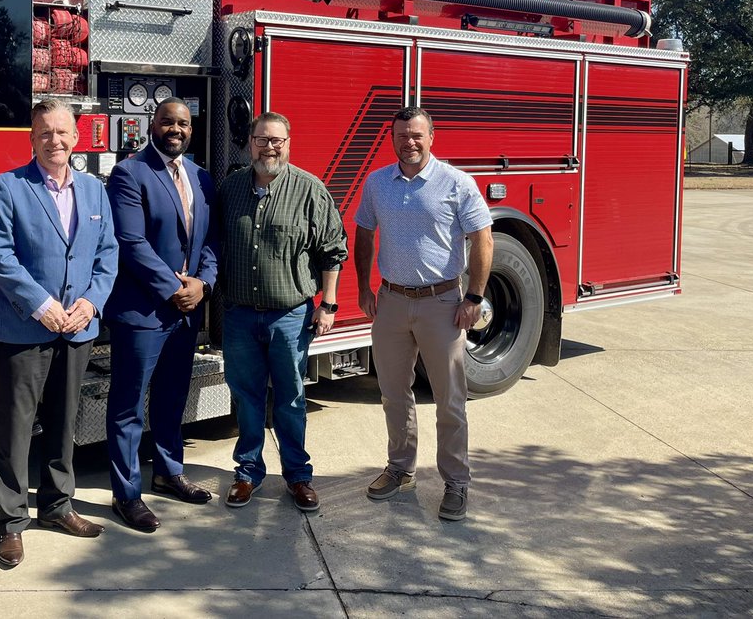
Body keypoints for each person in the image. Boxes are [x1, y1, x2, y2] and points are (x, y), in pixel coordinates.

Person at [0, 99, 119, 567]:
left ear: (77, 137)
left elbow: (108, 253)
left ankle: (57, 507)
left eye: (62, 132)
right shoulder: (8, 188)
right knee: (16, 430)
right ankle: (11, 523)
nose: (54, 141)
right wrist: (43, 306)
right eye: (44, 133)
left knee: (64, 423)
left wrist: (90, 303)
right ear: (32, 139)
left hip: (77, 328)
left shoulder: (95, 191)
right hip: (22, 329)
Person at [353, 107, 493, 521]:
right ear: (392, 139)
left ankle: (456, 482)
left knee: (449, 399)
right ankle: (400, 469)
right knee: (393, 394)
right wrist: (364, 288)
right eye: (400, 136)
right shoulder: (378, 183)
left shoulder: (456, 182)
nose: (408, 142)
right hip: (392, 302)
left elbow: (483, 239)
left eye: (416, 135)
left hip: (443, 304)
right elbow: (364, 234)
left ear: (432, 136)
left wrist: (474, 297)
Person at [218, 112, 348, 512]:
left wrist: (327, 305)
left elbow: (332, 250)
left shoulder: (310, 190)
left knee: (291, 398)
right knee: (246, 397)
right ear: (250, 143)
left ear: (288, 143)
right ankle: (247, 473)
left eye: (276, 140)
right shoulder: (231, 188)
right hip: (240, 315)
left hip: (290, 317)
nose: (269, 147)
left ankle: (298, 476)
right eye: (261, 140)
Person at [104, 98, 218, 532]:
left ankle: (169, 473)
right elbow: (131, 243)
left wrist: (202, 285)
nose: (176, 129)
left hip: (186, 312)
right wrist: (175, 288)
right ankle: (126, 495)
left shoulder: (201, 177)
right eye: (168, 121)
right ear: (152, 125)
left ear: (192, 128)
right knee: (128, 406)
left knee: (173, 397)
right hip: (143, 312)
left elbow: (210, 242)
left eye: (183, 123)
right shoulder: (130, 173)